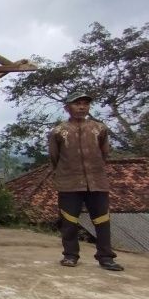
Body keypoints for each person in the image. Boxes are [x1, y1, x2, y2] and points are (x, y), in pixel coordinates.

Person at [48, 92, 124, 271]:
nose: (82, 107)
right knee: (69, 221)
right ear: (68, 108)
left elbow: (104, 153)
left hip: (97, 182)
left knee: (102, 221)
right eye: (77, 104)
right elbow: (54, 157)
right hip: (69, 183)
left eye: (85, 104)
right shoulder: (59, 131)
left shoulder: (99, 128)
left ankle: (106, 257)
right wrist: (64, 173)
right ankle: (70, 255)